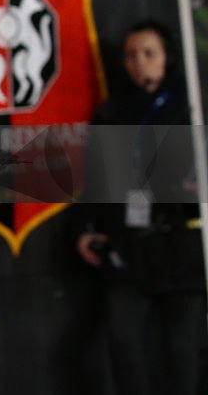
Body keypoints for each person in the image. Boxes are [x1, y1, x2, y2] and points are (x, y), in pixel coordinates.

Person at [76, 19, 205, 395]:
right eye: (131, 55)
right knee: (124, 348)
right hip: (128, 245)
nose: (139, 63)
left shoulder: (191, 107)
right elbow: (97, 180)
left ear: (167, 57)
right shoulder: (113, 112)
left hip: (180, 244)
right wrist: (85, 229)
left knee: (182, 353)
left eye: (149, 54)